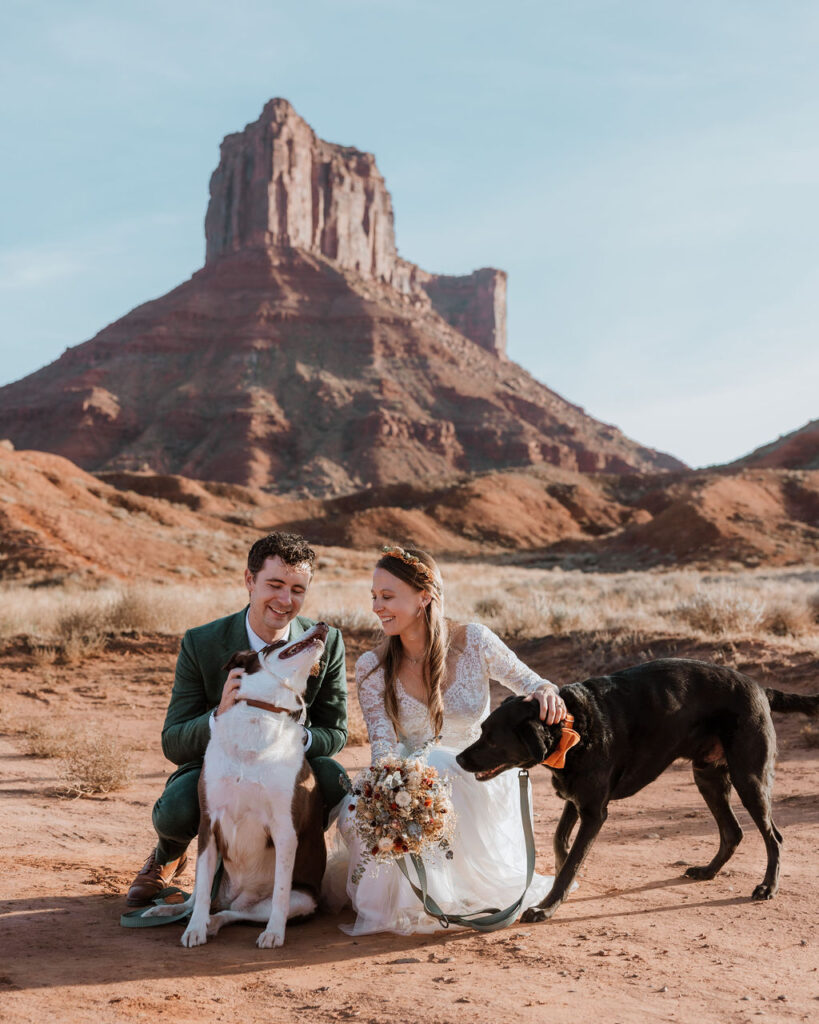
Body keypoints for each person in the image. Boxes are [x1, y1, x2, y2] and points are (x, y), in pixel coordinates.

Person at [335, 544, 566, 935]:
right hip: (413, 783)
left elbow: (532, 681)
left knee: (443, 766)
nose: (377, 606)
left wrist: (545, 691)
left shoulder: (474, 641)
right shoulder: (373, 667)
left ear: (424, 596)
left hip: (480, 774)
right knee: (370, 801)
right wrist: (393, 791)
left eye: (387, 596)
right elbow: (383, 748)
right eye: (374, 596)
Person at [126, 531, 348, 907]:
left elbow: (336, 730)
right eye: (274, 585)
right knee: (178, 808)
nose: (285, 600)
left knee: (331, 777)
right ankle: (169, 853)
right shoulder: (202, 642)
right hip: (223, 767)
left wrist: (294, 736)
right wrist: (219, 715)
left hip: (284, 769)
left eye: (297, 589)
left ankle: (282, 861)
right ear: (249, 580)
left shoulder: (327, 641)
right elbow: (173, 741)